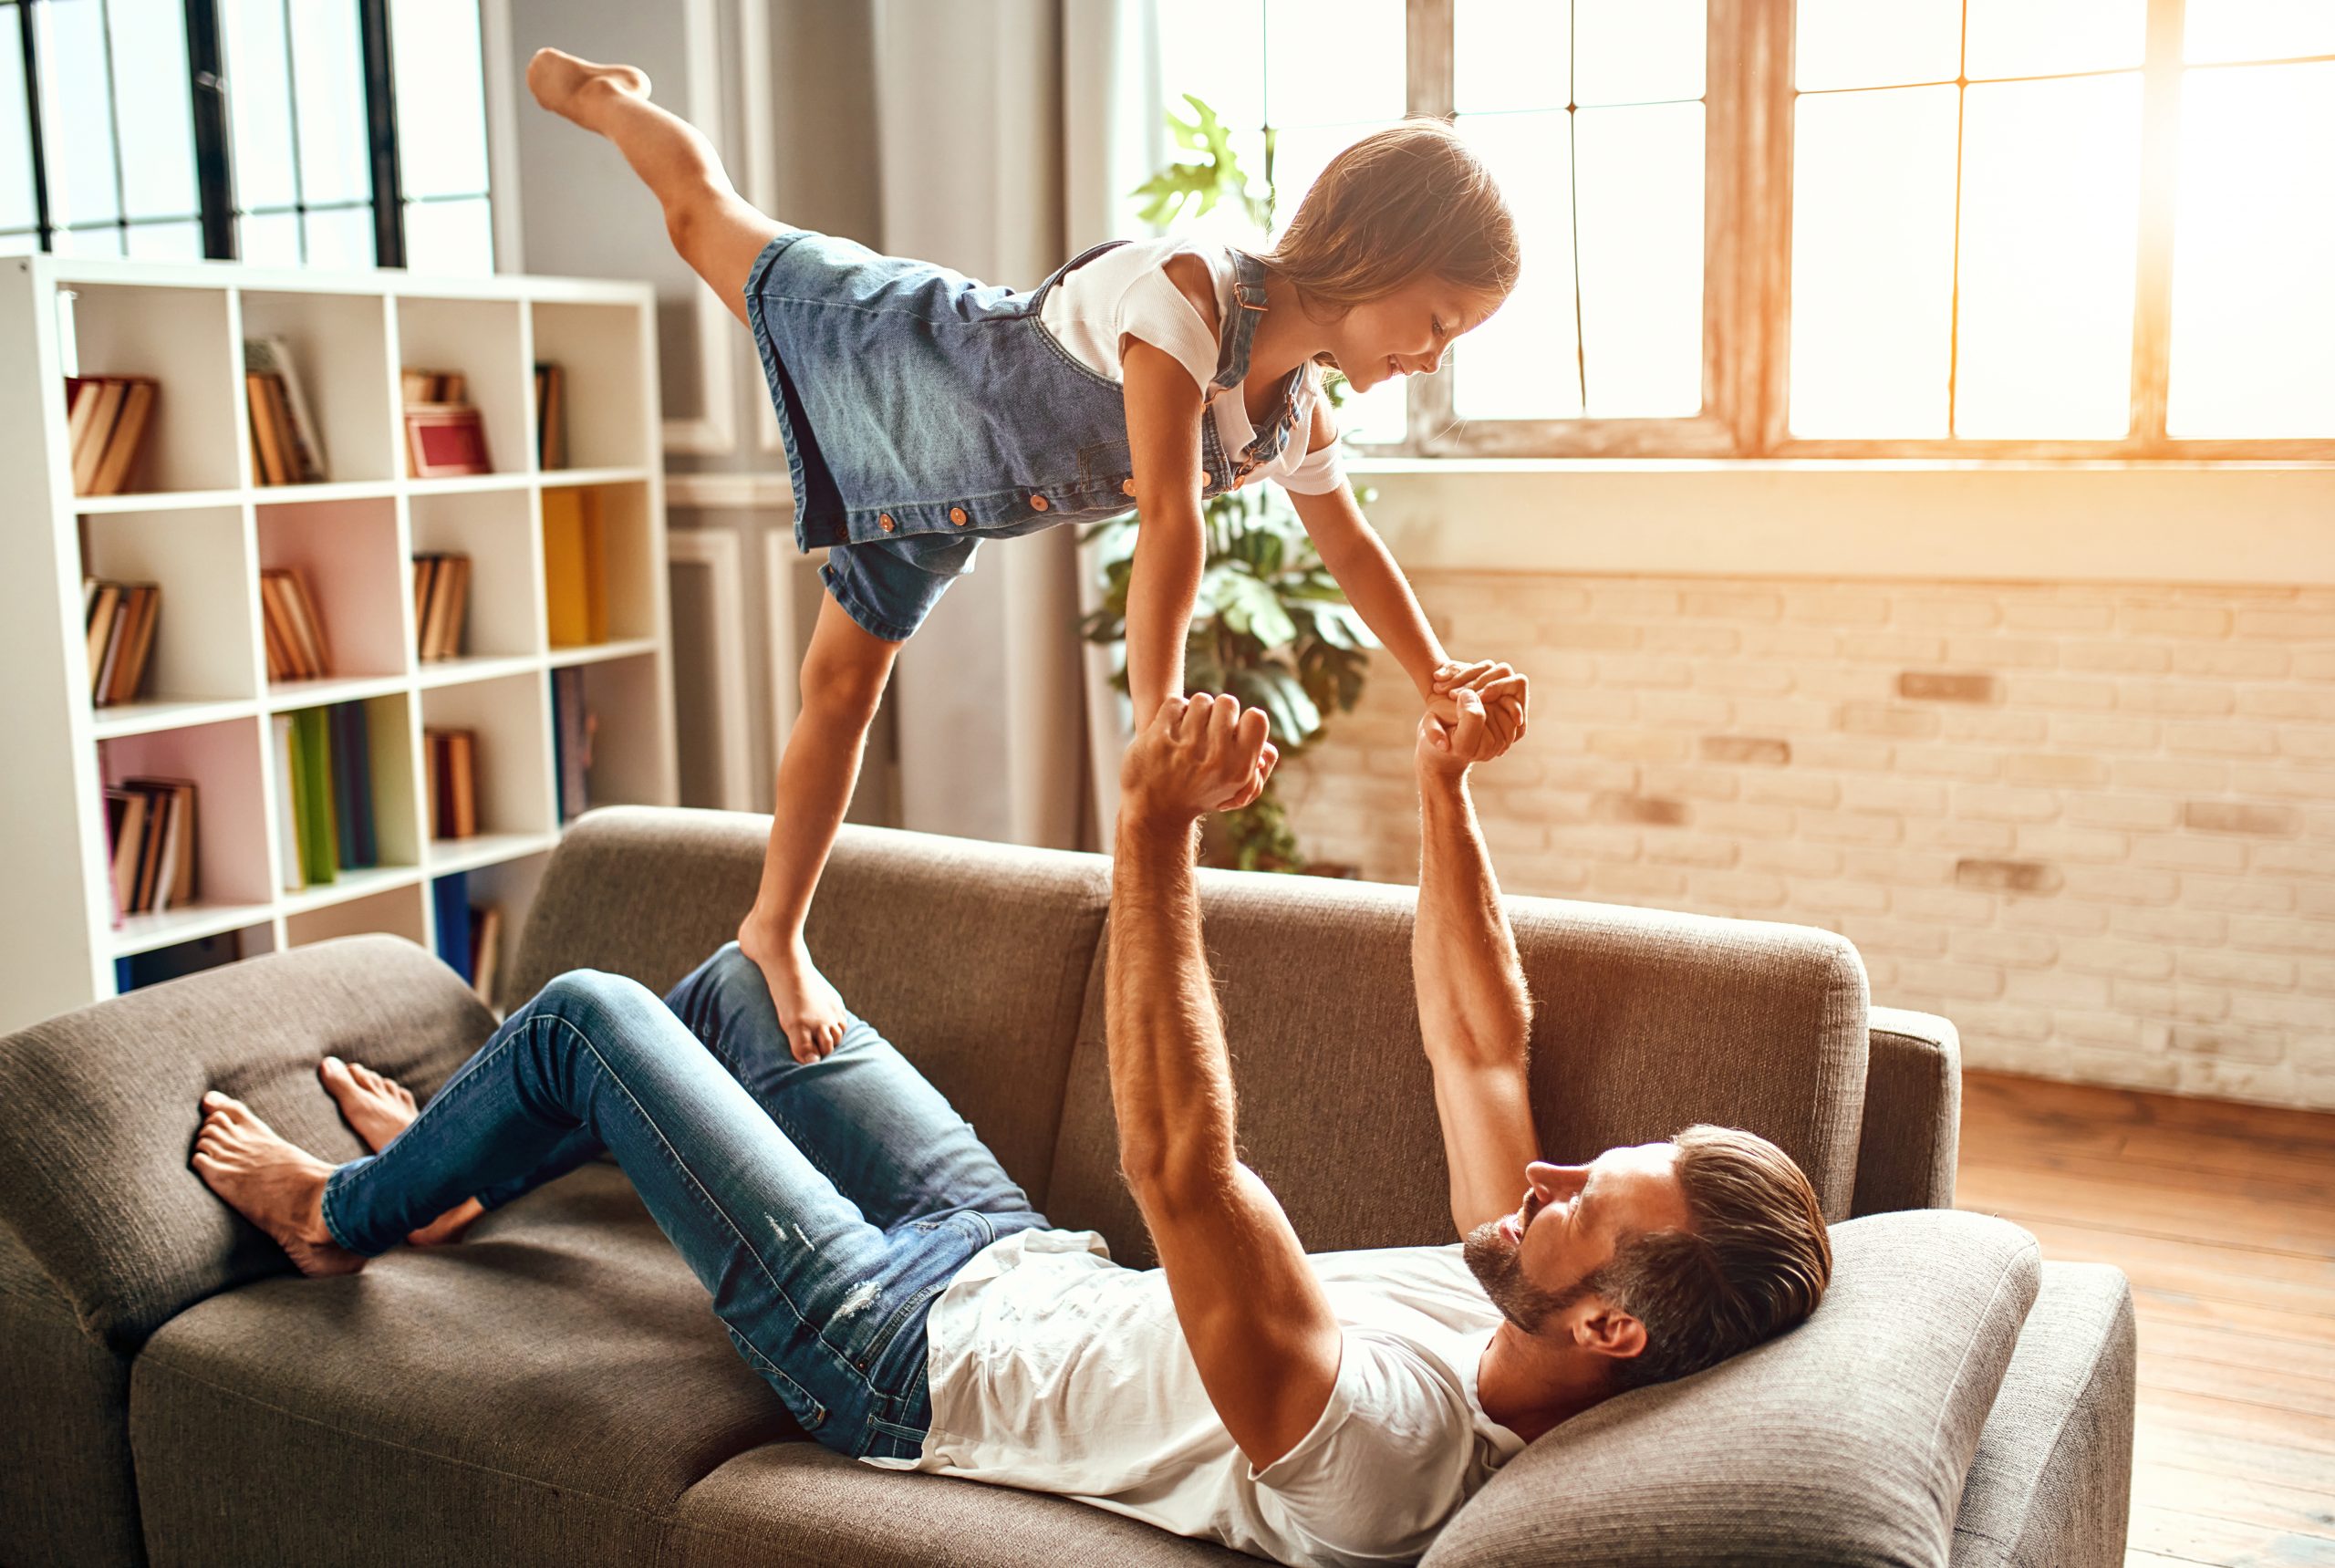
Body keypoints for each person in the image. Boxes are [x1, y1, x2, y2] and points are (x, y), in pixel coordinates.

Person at [192, 680, 1833, 1567]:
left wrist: (1153, 838)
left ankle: (343, 1214)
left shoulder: (1392, 1449)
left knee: (584, 1013)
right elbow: (1482, 1048)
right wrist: (1444, 783)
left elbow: (1183, 1169)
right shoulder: (1514, 1288)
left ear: (1613, 1318)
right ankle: (459, 1175)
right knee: (744, 986)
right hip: (999, 1248)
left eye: (1584, 1196)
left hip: (888, 1352)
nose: (1548, 1170)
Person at [520, 47, 1529, 1064]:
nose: (1432, 356)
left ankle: (772, 929)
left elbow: (1351, 547)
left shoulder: (1291, 420)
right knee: (704, 219)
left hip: (944, 504)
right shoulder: (1192, 294)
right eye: (1437, 322)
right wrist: (1157, 720)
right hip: (909, 358)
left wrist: (1432, 671)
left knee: (836, 688)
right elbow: (1171, 520)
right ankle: (609, 98)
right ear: (1374, 251)